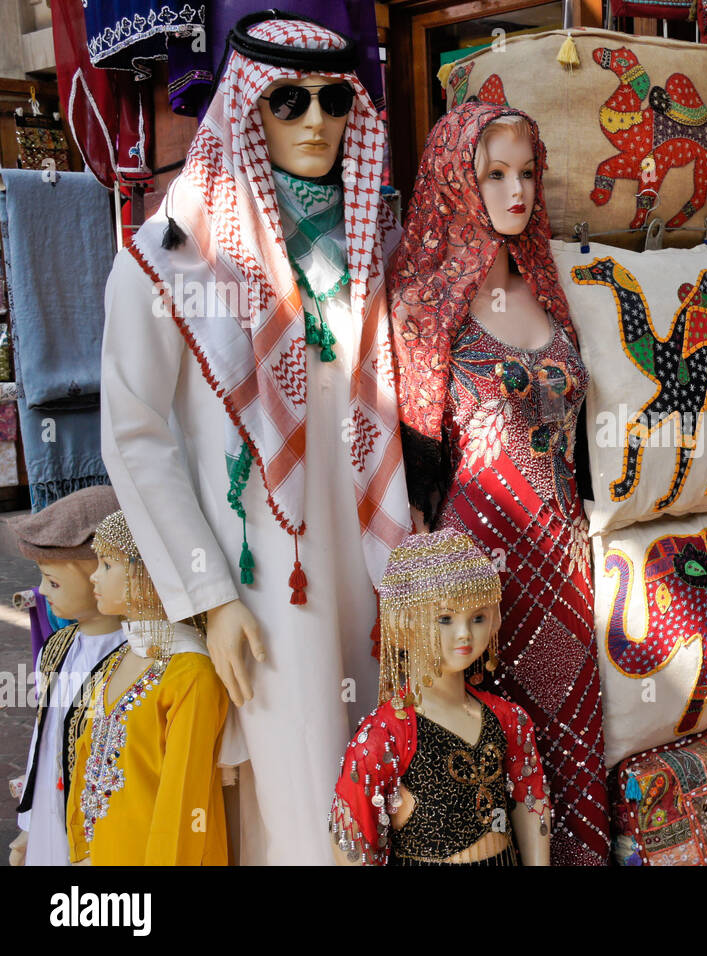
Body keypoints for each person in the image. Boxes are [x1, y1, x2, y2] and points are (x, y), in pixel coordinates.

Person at [97, 13, 409, 864]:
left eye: (335, 99)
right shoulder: (170, 254)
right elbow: (133, 432)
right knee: (297, 801)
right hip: (265, 589)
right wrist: (212, 597)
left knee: (379, 788)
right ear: (244, 107)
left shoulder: (372, 245)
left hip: (369, 580)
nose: (316, 121)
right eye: (287, 100)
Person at [389, 101, 610, 865]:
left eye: (526, 173)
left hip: (568, 568)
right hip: (479, 583)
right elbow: (419, 470)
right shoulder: (425, 307)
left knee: (571, 754)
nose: (515, 191)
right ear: (457, 181)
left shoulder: (554, 292)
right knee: (481, 765)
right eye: (494, 174)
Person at [330, 530, 550, 865]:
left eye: (477, 617)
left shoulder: (509, 720)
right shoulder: (382, 739)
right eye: (445, 619)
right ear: (403, 624)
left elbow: (530, 800)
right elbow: (352, 841)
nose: (464, 633)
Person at [66, 510, 228, 865]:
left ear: (152, 572)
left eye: (107, 564)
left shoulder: (191, 674)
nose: (94, 576)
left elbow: (184, 801)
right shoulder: (120, 658)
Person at [5, 486, 124, 866]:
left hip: (108, 829)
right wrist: (30, 823)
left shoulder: (138, 658)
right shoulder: (58, 648)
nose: (42, 591)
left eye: (53, 582)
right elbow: (45, 738)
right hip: (51, 817)